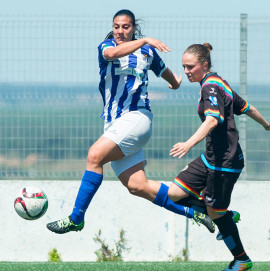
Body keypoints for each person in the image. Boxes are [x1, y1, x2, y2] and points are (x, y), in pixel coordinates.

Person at [47, 10, 215, 235]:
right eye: (117, 26)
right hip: (115, 124)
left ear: (134, 28)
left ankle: (76, 218)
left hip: (137, 119)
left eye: (125, 27)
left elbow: (173, 79)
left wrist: (177, 81)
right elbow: (111, 55)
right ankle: (195, 209)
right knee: (137, 186)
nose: (120, 31)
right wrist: (144, 41)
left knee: (94, 156)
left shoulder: (148, 52)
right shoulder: (106, 46)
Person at [168, 42, 270, 271]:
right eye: (184, 66)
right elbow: (247, 107)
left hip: (225, 161)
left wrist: (188, 144)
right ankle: (224, 215)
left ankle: (241, 259)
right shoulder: (219, 83)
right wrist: (266, 124)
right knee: (175, 193)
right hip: (210, 158)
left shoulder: (210, 88)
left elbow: (212, 120)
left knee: (215, 212)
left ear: (204, 65)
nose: (186, 71)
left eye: (190, 66)